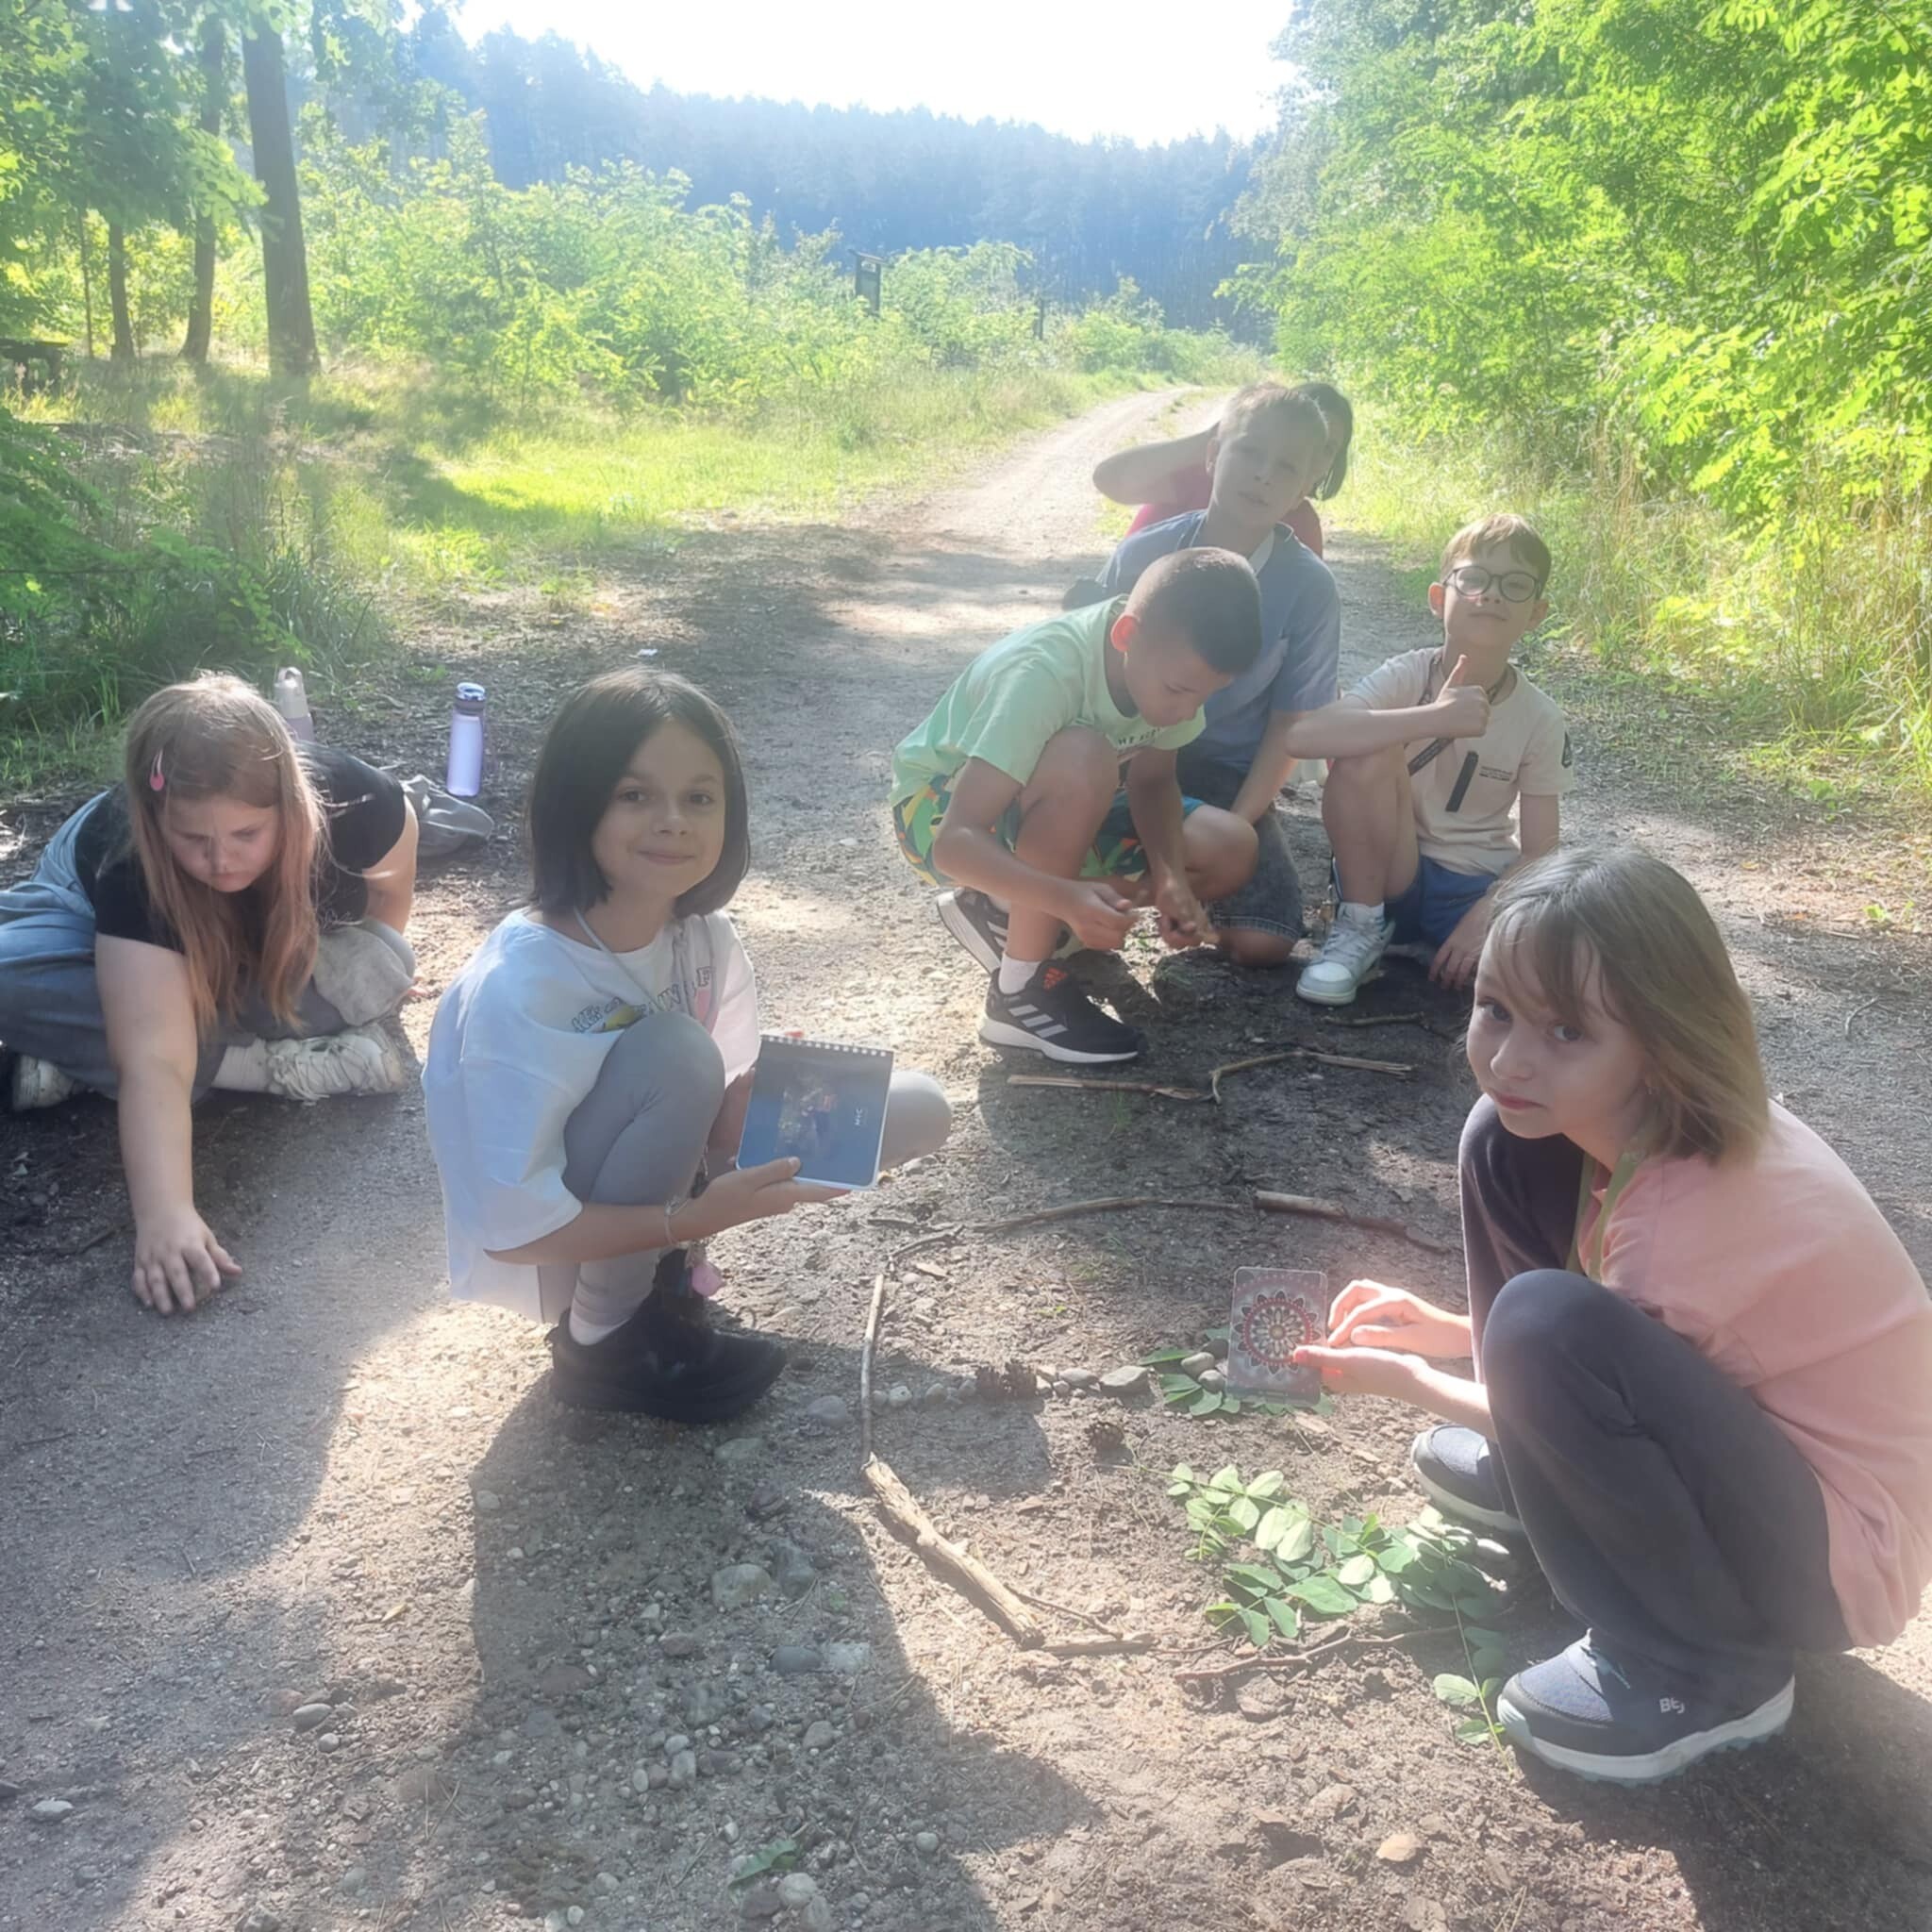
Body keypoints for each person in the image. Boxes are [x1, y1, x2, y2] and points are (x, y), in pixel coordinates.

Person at [1294, 848, 1932, 1783]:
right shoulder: (1646, 1122)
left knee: (1542, 1321)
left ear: (1660, 1037)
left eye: (1566, 1030)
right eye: (1494, 1008)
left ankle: (1703, 1668)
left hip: (1835, 1559)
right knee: (1503, 1142)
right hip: (1764, 1462)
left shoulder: (1685, 1217)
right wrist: (1448, 1328)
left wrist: (1415, 1381)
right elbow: (1649, 1355)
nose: (1509, 1057)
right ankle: (1545, 1485)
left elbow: (1581, 1348)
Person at [424, 669, 951, 1422]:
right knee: (676, 1050)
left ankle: (665, 1276)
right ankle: (604, 1339)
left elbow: (712, 1116)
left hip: (665, 1194)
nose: (673, 821)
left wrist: (744, 1105)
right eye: (634, 795)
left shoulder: (704, 937)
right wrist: (689, 1222)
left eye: (700, 798)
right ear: (577, 803)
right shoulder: (521, 982)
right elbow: (509, 1233)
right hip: (559, 1239)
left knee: (920, 1108)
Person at [0, 674, 419, 1314]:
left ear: (291, 807)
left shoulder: (358, 802)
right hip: (82, 912)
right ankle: (257, 1063)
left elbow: (391, 886)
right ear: (155, 821)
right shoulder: (131, 862)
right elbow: (155, 1062)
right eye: (194, 840)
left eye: (246, 835)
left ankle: (81, 1045)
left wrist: (370, 969)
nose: (221, 862)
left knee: (384, 963)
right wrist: (165, 1214)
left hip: (228, 953)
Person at [892, 548, 1263, 1065]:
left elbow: (1154, 782)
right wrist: (1065, 896)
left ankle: (1012, 912)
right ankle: (1019, 990)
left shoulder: (1167, 664)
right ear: (1127, 635)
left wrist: (1171, 879)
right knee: (1084, 755)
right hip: (936, 812)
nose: (1187, 712)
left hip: (1056, 797)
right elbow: (955, 843)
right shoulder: (1045, 673)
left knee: (1231, 848)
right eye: (1179, 691)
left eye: (1205, 697)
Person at [1089, 382, 1342, 966]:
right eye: (1249, 452)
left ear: (1304, 488)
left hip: (1225, 769)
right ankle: (1068, 901)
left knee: (1265, 941)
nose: (1263, 476)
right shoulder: (1143, 554)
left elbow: (1289, 723)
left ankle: (1151, 890)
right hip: (1126, 758)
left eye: (1286, 468)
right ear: (1212, 455)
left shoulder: (1310, 587)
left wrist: (1238, 823)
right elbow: (1090, 671)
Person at [1290, 512, 1573, 1007]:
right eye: (1474, 579)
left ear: (1536, 613)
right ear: (1439, 599)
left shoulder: (1541, 718)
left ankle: (1447, 945)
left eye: (1515, 585)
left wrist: (1484, 916)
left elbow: (1539, 851)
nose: (1492, 595)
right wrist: (1433, 718)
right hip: (1388, 870)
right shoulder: (1408, 675)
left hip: (1473, 885)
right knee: (1367, 744)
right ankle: (1360, 927)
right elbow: (1305, 736)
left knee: (1544, 981)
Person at [1092, 380, 1354, 557]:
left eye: (1327, 448)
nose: (1310, 452)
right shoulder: (1208, 479)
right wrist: (1216, 437)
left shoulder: (1303, 525)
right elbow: (1108, 479)